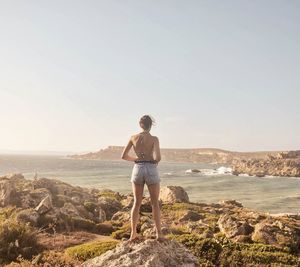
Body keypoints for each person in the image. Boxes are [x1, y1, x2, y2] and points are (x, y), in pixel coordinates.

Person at [121, 115, 165, 242]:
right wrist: (154, 162)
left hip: (138, 169)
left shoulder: (133, 138)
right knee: (154, 203)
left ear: (140, 125)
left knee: (136, 202)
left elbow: (123, 156)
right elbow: (158, 157)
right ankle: (159, 234)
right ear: (150, 125)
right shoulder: (154, 139)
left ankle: (133, 234)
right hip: (151, 168)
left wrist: (135, 159)